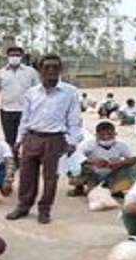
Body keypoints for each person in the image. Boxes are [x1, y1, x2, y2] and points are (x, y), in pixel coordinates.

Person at [5, 54, 83, 224]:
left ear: (60, 69)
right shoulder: (32, 93)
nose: (51, 70)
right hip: (32, 138)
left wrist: (72, 142)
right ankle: (23, 206)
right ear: (40, 70)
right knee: (26, 175)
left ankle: (44, 209)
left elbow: (74, 119)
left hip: (55, 140)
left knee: (50, 177)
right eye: (47, 67)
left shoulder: (70, 92)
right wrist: (19, 140)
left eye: (55, 67)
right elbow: (25, 118)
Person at [0, 46, 40, 164]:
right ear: (7, 57)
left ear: (21, 57)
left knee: (28, 137)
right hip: (7, 110)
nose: (14, 57)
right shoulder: (0, 73)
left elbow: (38, 92)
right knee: (10, 138)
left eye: (17, 55)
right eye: (12, 55)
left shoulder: (31, 72)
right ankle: (14, 161)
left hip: (26, 110)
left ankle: (29, 160)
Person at [69, 121, 136, 198]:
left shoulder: (122, 145)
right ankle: (79, 187)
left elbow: (134, 159)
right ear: (96, 135)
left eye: (109, 134)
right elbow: (75, 156)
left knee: (135, 169)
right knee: (73, 165)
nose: (106, 137)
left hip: (112, 173)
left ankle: (115, 188)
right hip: (92, 173)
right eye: (102, 135)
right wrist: (92, 161)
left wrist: (121, 163)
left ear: (115, 134)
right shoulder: (88, 144)